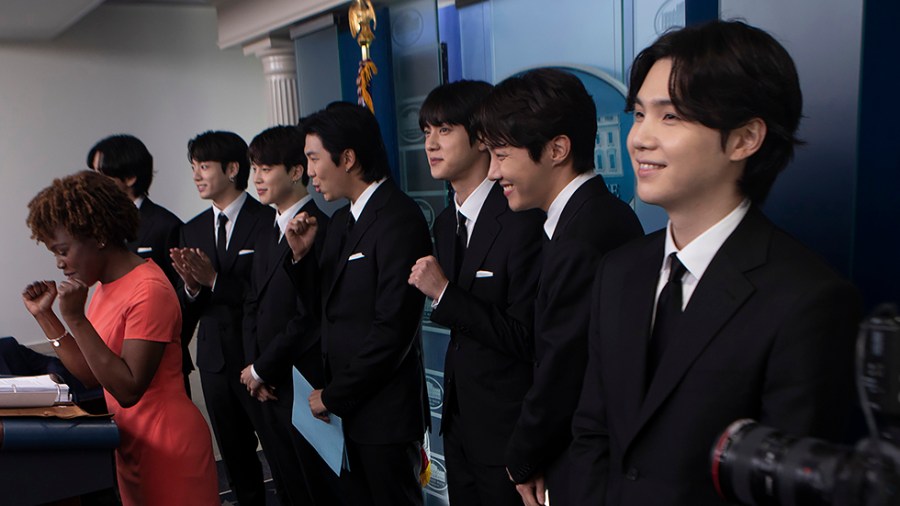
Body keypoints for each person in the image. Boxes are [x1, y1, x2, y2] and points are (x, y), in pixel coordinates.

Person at [569, 20, 860, 505]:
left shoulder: (808, 300)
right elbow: (592, 432)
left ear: (745, 139)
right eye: (638, 114)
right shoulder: (619, 271)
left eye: (671, 117)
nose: (639, 138)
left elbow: (790, 490)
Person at [477, 68, 644, 506]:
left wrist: (522, 457)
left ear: (557, 149)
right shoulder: (592, 216)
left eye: (501, 155)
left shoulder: (581, 237)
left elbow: (563, 367)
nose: (493, 173)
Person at [22, 170, 219, 506]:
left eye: (63, 250)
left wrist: (75, 318)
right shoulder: (104, 287)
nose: (59, 263)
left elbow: (128, 389)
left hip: (168, 445)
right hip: (131, 444)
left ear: (98, 235)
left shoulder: (149, 289)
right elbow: (92, 374)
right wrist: (47, 316)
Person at [284, 102, 432, 506]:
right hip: (347, 413)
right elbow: (325, 310)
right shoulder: (341, 222)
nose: (310, 172)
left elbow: (393, 331)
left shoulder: (399, 219)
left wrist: (333, 396)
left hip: (383, 416)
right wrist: (300, 258)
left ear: (347, 158)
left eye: (314, 159)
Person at [407, 80, 544, 506]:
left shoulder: (520, 216)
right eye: (426, 131)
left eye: (444, 130)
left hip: (509, 432)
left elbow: (527, 336)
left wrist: (445, 294)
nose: (431, 143)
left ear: (482, 136)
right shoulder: (447, 222)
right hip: (459, 426)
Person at [240, 124, 341, 505]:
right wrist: (254, 368)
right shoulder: (267, 231)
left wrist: (264, 368)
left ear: (297, 171)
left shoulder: (322, 229)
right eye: (254, 168)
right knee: (285, 486)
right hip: (266, 386)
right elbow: (252, 304)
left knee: (316, 489)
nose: (257, 178)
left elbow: (310, 314)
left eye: (265, 168)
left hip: (303, 382)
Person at [170, 130, 272, 506]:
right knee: (235, 459)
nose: (197, 175)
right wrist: (193, 288)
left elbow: (264, 296)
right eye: (193, 167)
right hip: (214, 362)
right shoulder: (192, 228)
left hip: (258, 358)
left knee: (280, 453)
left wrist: (213, 280)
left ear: (232, 169)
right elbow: (191, 306)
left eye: (205, 166)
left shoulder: (265, 220)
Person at [87, 134, 193, 394]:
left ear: (131, 177)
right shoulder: (98, 226)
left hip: (158, 359)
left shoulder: (165, 224)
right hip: (111, 360)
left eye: (101, 174)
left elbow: (181, 295)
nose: (93, 183)